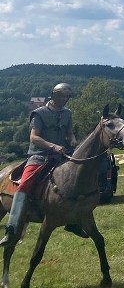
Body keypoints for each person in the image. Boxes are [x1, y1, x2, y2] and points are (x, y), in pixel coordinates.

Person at [1, 83, 77, 247]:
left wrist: (72, 139)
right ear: (54, 95)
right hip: (39, 155)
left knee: (76, 179)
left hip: (61, 155)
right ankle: (12, 228)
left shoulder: (67, 113)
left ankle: (74, 222)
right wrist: (53, 146)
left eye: (66, 96)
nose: (64, 99)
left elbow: (69, 132)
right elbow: (34, 137)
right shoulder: (39, 113)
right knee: (24, 185)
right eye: (61, 96)